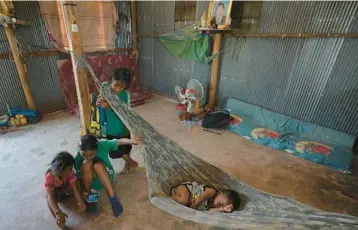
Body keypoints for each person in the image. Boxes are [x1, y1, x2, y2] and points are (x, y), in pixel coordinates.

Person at [74, 134, 141, 217]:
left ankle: (113, 197)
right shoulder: (77, 156)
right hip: (91, 181)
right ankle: (90, 197)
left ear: (97, 147)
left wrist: (130, 141)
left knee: (97, 165)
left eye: (91, 155)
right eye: (84, 155)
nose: (88, 157)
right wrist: (82, 194)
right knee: (87, 164)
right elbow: (76, 178)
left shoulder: (102, 144)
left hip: (106, 176)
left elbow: (118, 142)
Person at [97, 68, 138, 174]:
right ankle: (129, 163)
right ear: (112, 80)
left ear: (126, 86)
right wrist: (99, 100)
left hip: (121, 127)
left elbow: (118, 107)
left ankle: (130, 162)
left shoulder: (124, 95)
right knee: (115, 149)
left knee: (121, 148)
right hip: (110, 127)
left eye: (122, 86)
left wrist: (108, 105)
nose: (118, 89)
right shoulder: (106, 87)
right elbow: (103, 87)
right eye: (116, 85)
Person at [45, 151, 86, 229]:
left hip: (65, 188)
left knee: (77, 183)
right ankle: (59, 220)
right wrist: (57, 212)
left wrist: (80, 201)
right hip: (56, 191)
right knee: (48, 199)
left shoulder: (69, 173)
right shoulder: (49, 177)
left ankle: (73, 196)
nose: (71, 171)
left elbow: (74, 187)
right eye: (68, 169)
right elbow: (51, 196)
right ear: (59, 169)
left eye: (71, 168)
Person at [171, 182, 240, 212]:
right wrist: (198, 202)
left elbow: (210, 211)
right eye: (221, 203)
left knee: (183, 202)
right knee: (183, 201)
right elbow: (202, 197)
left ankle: (175, 197)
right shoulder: (213, 191)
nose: (218, 206)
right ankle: (168, 198)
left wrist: (223, 209)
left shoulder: (209, 207)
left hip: (188, 200)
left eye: (221, 206)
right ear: (220, 193)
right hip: (187, 189)